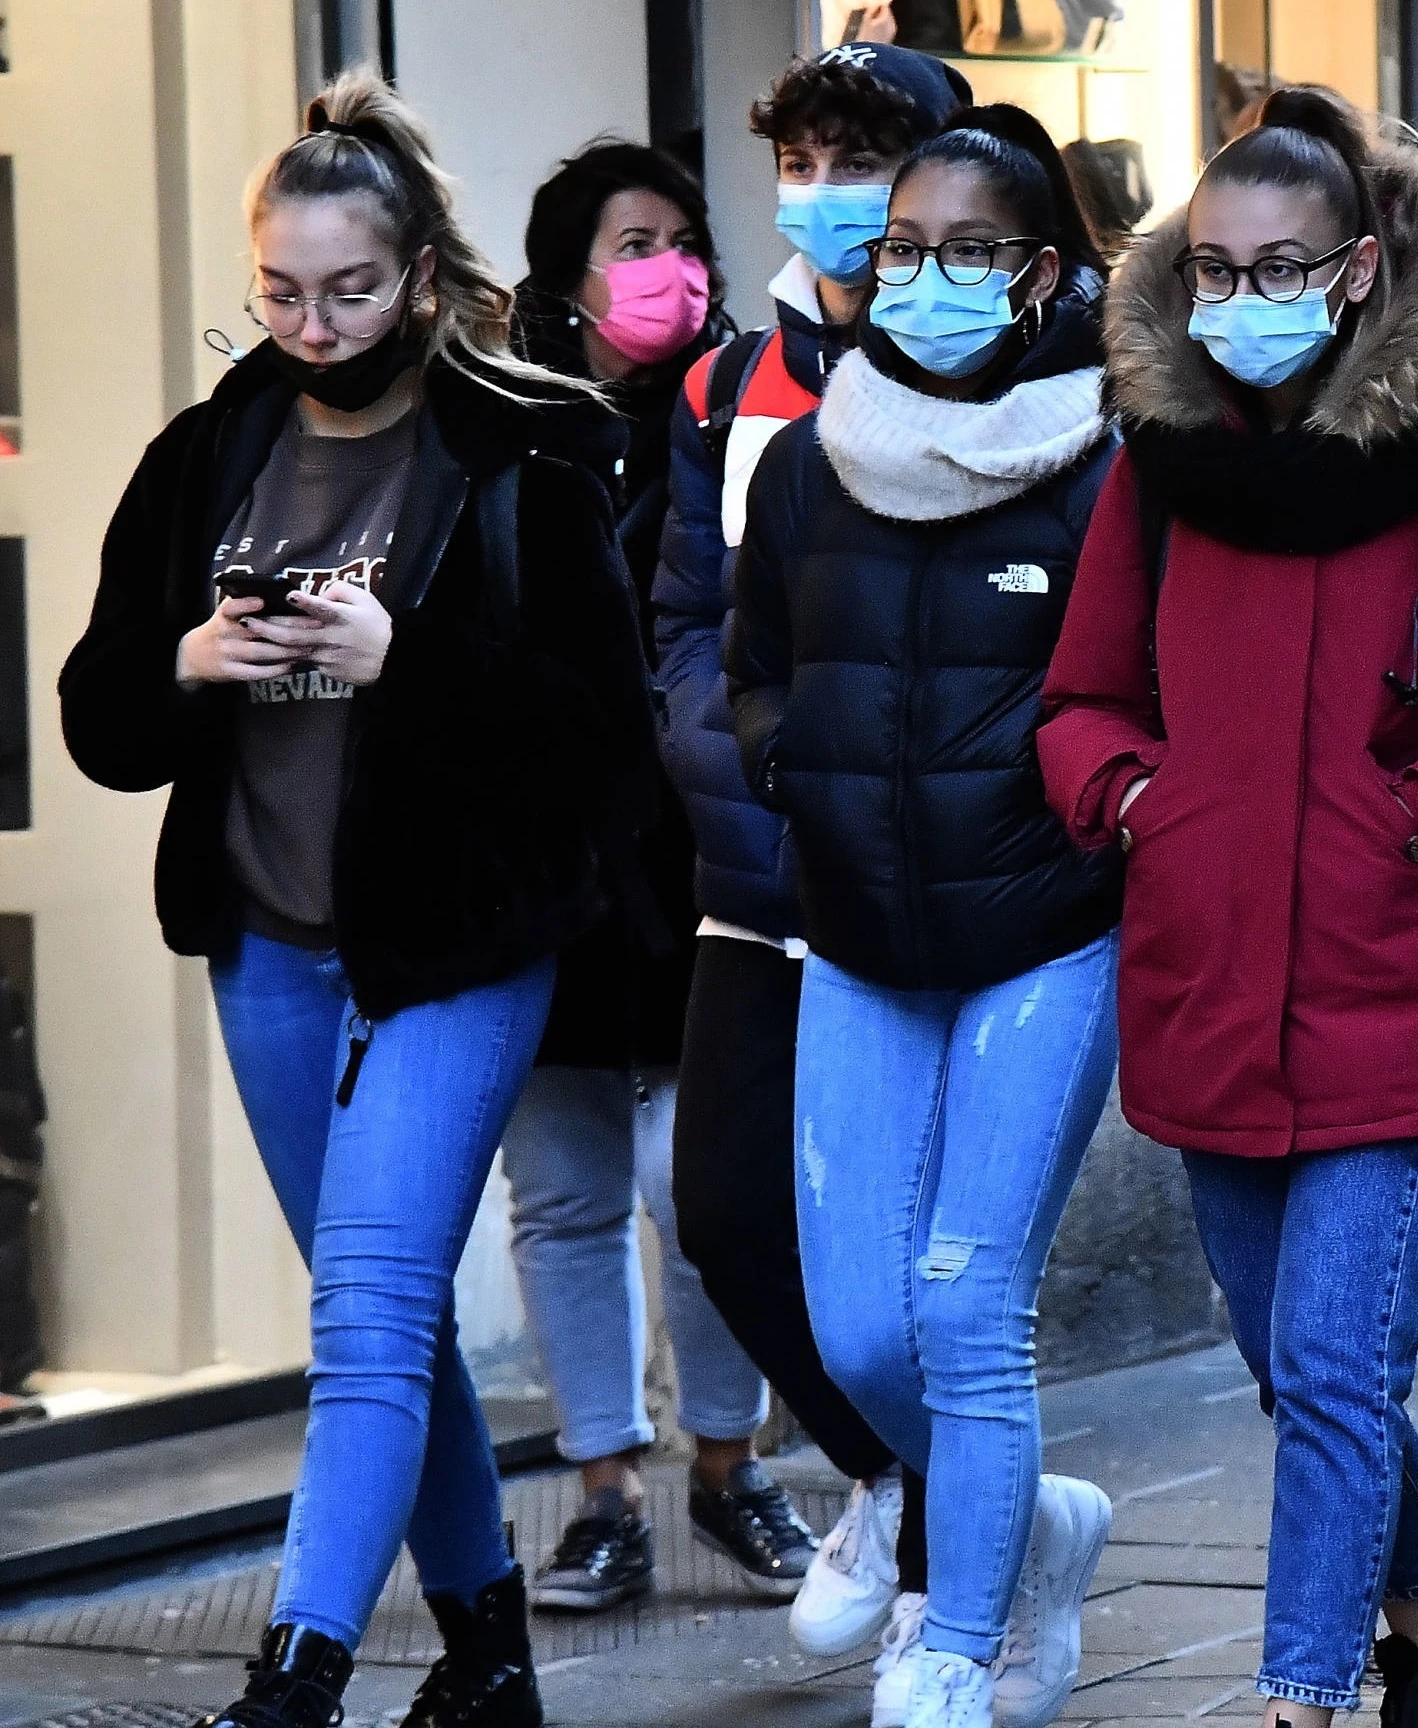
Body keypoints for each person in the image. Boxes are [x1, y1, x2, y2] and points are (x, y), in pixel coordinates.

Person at [1039, 85, 1418, 1728]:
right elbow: (1079, 702)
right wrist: (1136, 800)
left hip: (1406, 991)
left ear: (1364, 267)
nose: (1239, 302)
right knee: (1299, 1368)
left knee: (1329, 1371)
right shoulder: (1157, 469)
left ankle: (1306, 1692)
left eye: (1279, 267)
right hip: (1208, 983)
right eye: (1213, 270)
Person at [59, 71, 661, 1728]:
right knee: (381, 1316)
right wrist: (187, 661)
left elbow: (603, 740)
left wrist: (409, 661)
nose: (313, 324)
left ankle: (299, 1672)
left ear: (413, 276)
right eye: (279, 291)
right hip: (268, 939)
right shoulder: (206, 457)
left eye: (347, 289)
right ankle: (488, 1660)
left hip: (458, 940)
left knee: (375, 1307)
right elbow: (101, 721)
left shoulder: (530, 446)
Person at [726, 100, 1124, 1728]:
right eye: (907, 248)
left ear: (1037, 273)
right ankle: (1028, 1519)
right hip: (862, 941)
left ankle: (958, 1633)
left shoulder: (1108, 465)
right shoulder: (818, 460)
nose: (927, 277)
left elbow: (1142, 702)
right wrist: (789, 768)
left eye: (969, 252)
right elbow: (752, 667)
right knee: (855, 1331)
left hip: (1043, 933)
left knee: (965, 1302)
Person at [652, 40, 969, 1692]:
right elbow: (685, 620)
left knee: (905, 1255)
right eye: (804, 165)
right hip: (759, 877)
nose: (830, 198)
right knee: (722, 1213)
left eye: (864, 163)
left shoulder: (995, 363)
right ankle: (891, 1472)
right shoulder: (728, 384)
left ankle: (945, 1564)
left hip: (930, 883)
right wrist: (741, 777)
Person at [501, 136, 819, 1615]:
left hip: (701, 855)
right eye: (632, 245)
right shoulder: (509, 425)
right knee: (563, 1192)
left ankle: (727, 1465)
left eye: (682, 238)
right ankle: (602, 1492)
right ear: (564, 278)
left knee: (703, 1188)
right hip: (549, 866)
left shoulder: (743, 401)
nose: (668, 270)